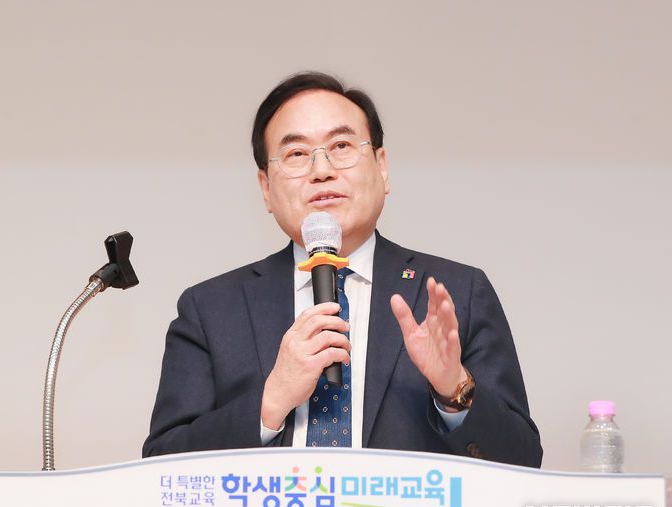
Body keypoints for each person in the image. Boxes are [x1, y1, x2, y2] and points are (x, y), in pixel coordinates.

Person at [143, 72, 542, 467]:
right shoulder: (210, 308)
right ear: (265, 188)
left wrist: (455, 389)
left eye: (341, 146)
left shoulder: (457, 291)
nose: (322, 170)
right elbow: (161, 467)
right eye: (297, 154)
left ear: (382, 168)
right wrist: (271, 401)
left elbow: (522, 460)